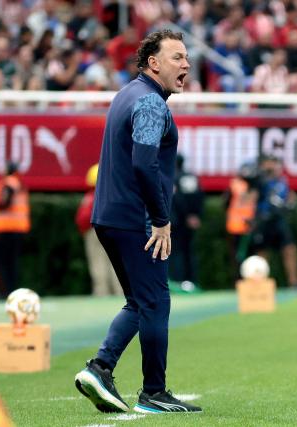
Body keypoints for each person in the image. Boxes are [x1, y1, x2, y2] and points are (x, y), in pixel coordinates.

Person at [74, 29, 202, 414]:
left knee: (141, 301)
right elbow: (145, 164)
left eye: (186, 57)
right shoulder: (150, 102)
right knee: (157, 301)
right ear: (154, 63)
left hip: (110, 216)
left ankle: (100, 368)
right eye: (177, 57)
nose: (186, 64)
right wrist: (161, 219)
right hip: (137, 219)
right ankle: (153, 393)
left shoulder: (128, 93)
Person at [251, 154, 297, 288]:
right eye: (269, 163)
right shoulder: (259, 180)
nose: (273, 166)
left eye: (275, 163)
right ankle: (259, 283)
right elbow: (252, 196)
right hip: (263, 219)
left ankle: (293, 282)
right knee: (262, 252)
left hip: (278, 220)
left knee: (289, 248)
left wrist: (291, 202)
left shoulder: (282, 181)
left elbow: (288, 197)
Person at [75, 164, 122, 296]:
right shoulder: (115, 195)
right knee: (116, 263)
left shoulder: (90, 197)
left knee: (98, 264)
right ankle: (120, 293)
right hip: (114, 231)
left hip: (93, 232)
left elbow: (83, 219)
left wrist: (84, 230)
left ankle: (101, 293)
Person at [0, 162, 30, 299]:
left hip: (5, 229)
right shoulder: (19, 184)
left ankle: (5, 293)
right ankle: (11, 292)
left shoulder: (9, 183)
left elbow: (4, 202)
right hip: (17, 229)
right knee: (11, 263)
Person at [170, 154, 204, 286]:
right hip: (185, 221)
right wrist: (195, 215)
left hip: (177, 221)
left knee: (177, 252)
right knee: (188, 251)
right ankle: (190, 281)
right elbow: (199, 196)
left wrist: (189, 215)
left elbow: (182, 199)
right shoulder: (190, 177)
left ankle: (180, 281)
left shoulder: (173, 177)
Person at [225, 162, 258, 281]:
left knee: (250, 255)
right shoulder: (235, 184)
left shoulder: (256, 186)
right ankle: (238, 281)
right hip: (236, 226)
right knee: (238, 256)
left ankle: (251, 280)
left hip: (250, 226)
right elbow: (226, 204)